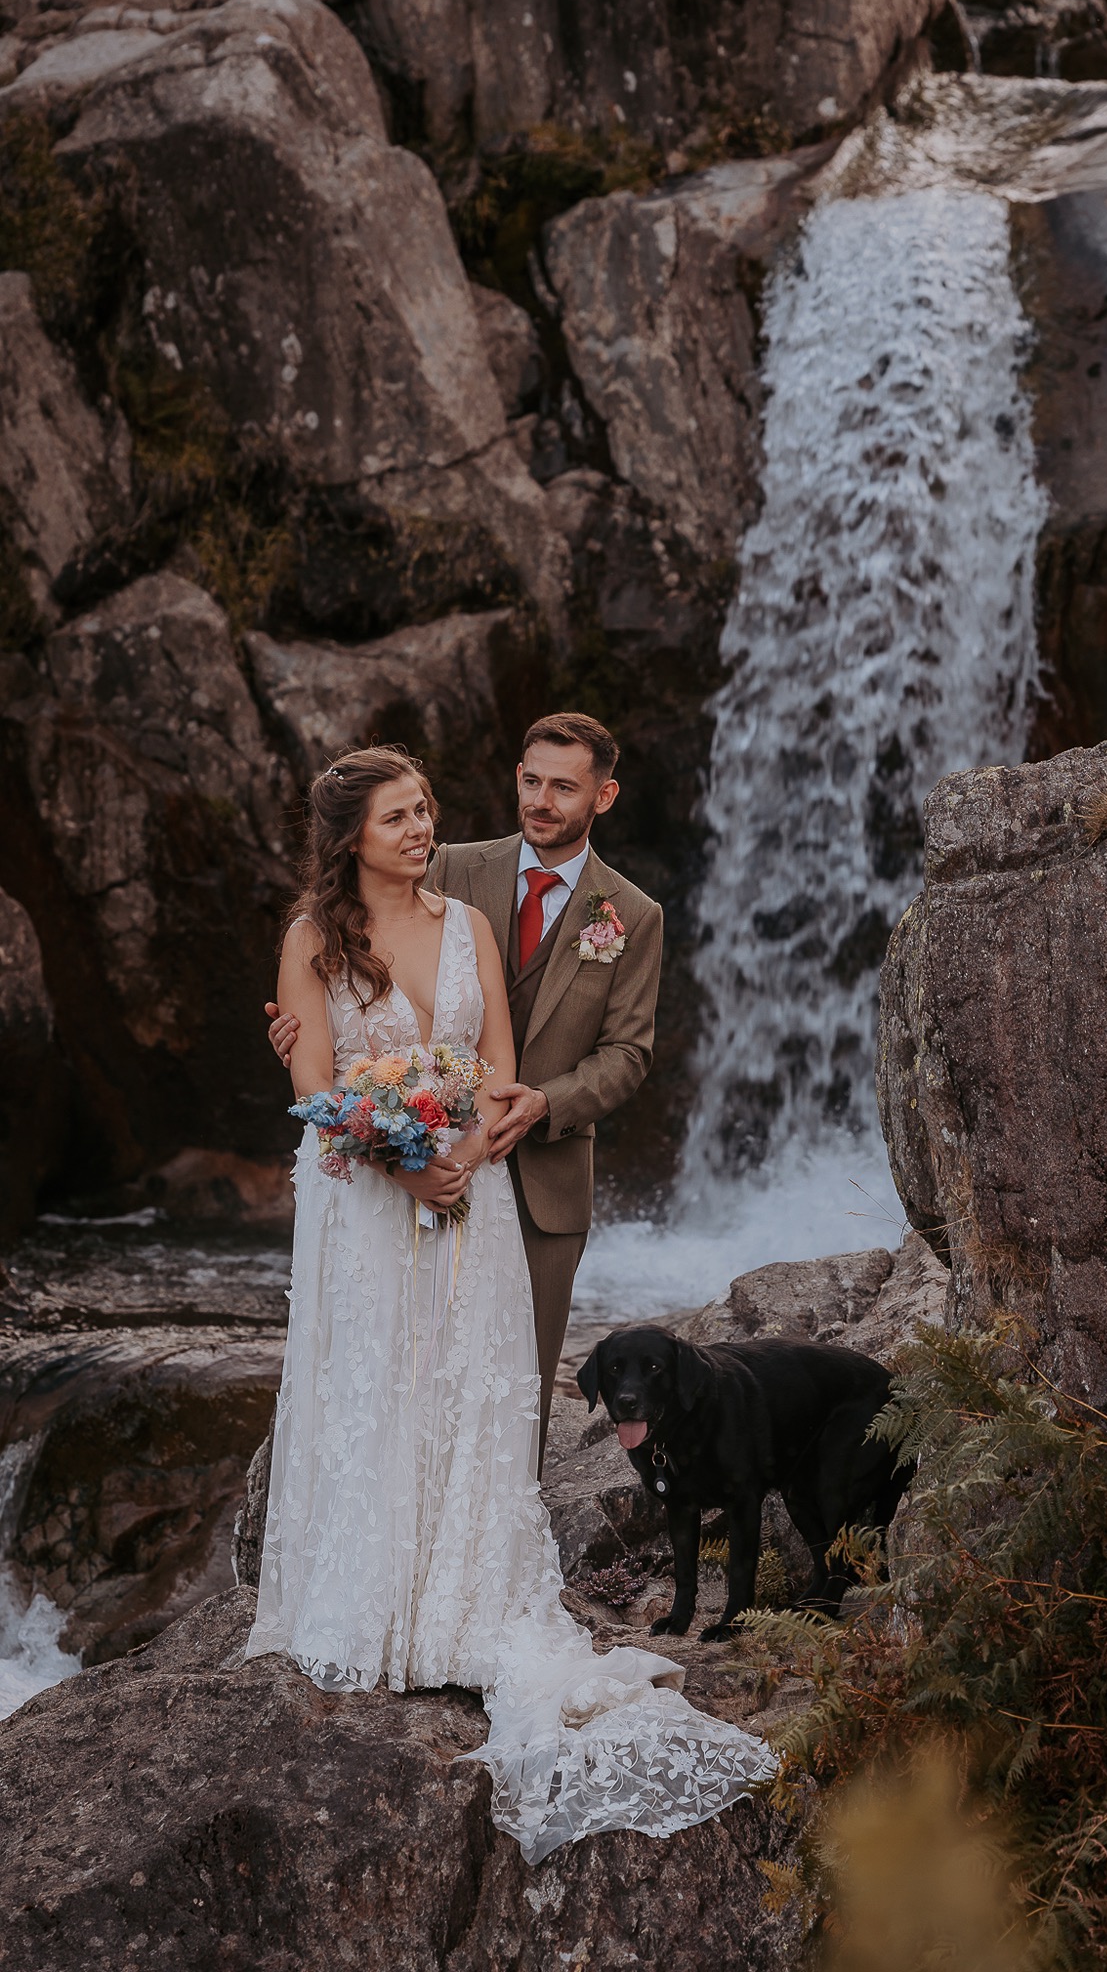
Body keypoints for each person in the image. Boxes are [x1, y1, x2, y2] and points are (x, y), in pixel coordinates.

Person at [246, 745, 773, 1863]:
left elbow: (493, 1061)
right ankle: (371, 1600)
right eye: (397, 815)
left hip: (470, 1193)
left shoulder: (470, 923)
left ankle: (461, 1600)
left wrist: (461, 1153)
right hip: (364, 1206)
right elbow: (314, 1092)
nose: (421, 827)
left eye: (426, 808)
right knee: (376, 1385)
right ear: (350, 835)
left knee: (463, 1387)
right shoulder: (308, 941)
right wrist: (399, 1164)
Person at [268, 713, 661, 1461]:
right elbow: (335, 1011)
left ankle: (483, 1554)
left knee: (510, 1393)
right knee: (377, 1384)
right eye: (530, 780)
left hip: (536, 1177)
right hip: (384, 1172)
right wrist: (296, 1035)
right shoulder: (444, 864)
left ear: (602, 797)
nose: (541, 800)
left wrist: (543, 1104)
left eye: (563, 788)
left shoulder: (632, 916)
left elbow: (629, 1053)